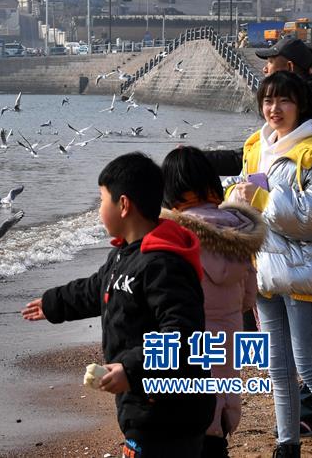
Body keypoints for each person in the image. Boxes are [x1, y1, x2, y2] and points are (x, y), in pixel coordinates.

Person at [205, 37, 312, 436]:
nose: (273, 105)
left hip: (309, 256)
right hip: (271, 262)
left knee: (311, 359)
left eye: (272, 64)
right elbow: (252, 180)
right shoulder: (262, 142)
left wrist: (261, 198)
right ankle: (292, 438)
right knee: (281, 366)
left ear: (293, 74)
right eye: (267, 101)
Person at [22, 152, 214, 457]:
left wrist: (131, 368)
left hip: (168, 408)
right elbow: (95, 289)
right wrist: (52, 303)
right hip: (142, 403)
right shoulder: (124, 256)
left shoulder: (163, 264)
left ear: (123, 205)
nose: (99, 210)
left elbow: (183, 334)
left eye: (101, 200)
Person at [161, 146, 266, 458]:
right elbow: (249, 297)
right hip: (228, 336)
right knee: (219, 408)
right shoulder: (240, 233)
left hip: (187, 344)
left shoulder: (173, 236)